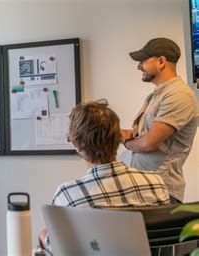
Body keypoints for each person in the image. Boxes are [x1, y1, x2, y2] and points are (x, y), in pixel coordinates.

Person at [39, 100, 170, 251]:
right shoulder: (156, 183)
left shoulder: (68, 195)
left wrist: (43, 236)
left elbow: (60, 250)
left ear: (75, 143)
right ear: (118, 138)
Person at [121, 38, 198, 203]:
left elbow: (149, 143)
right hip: (144, 189)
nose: (138, 66)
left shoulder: (178, 95)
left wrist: (126, 142)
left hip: (160, 192)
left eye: (143, 61)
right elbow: (140, 137)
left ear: (161, 61)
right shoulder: (157, 95)